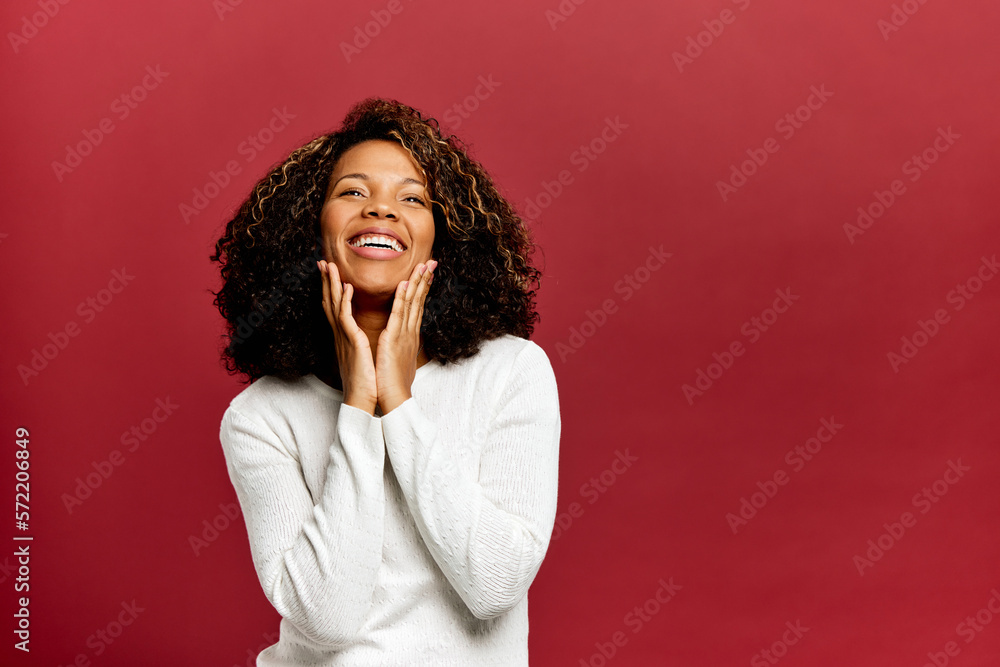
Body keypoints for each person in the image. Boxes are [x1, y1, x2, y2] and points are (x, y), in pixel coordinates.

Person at [210, 97, 561, 666]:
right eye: (352, 191)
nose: (381, 210)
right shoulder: (260, 416)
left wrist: (397, 403)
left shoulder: (513, 373)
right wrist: (357, 405)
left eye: (413, 198)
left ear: (442, 240)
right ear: (309, 229)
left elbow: (494, 585)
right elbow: (327, 618)